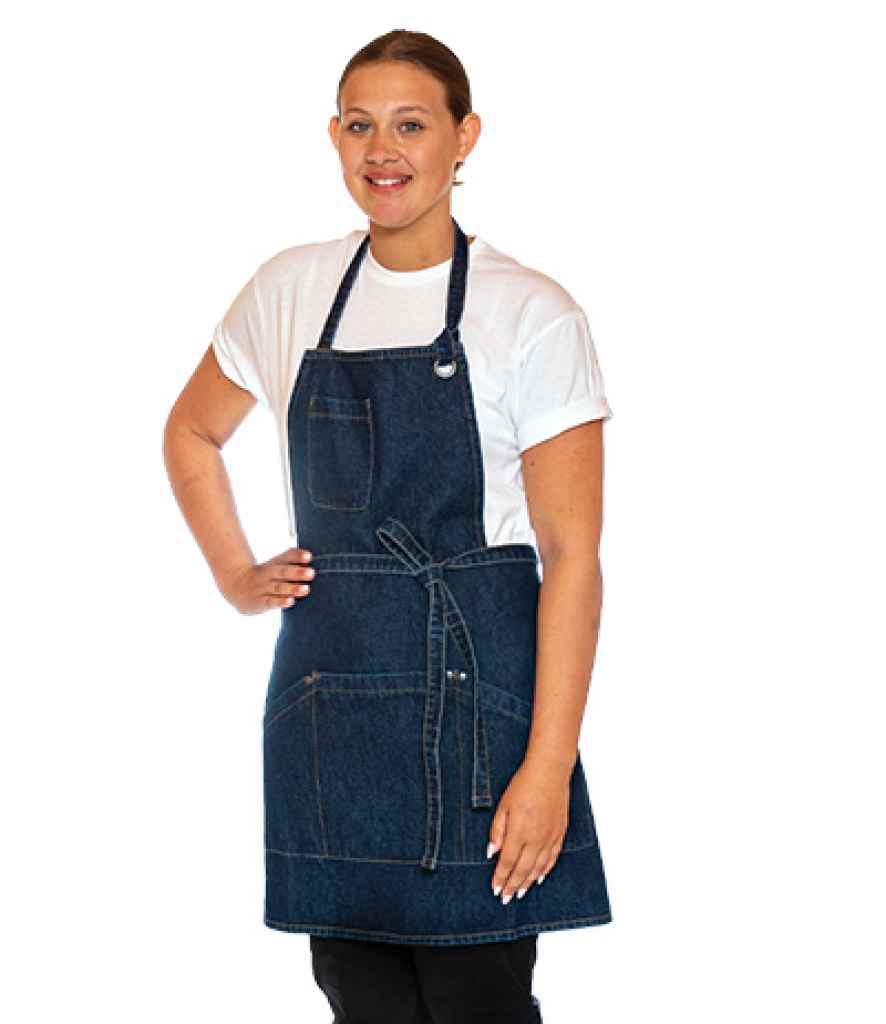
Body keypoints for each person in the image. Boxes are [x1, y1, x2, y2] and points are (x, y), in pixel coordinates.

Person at [163, 28, 613, 1024]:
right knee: (359, 1002)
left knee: (478, 1001)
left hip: (480, 716)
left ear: (464, 137)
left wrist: (547, 766)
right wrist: (234, 573)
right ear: (334, 136)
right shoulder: (289, 290)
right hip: (332, 713)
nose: (383, 150)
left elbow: (572, 561)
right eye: (360, 125)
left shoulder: (531, 312)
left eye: (411, 125)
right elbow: (191, 431)